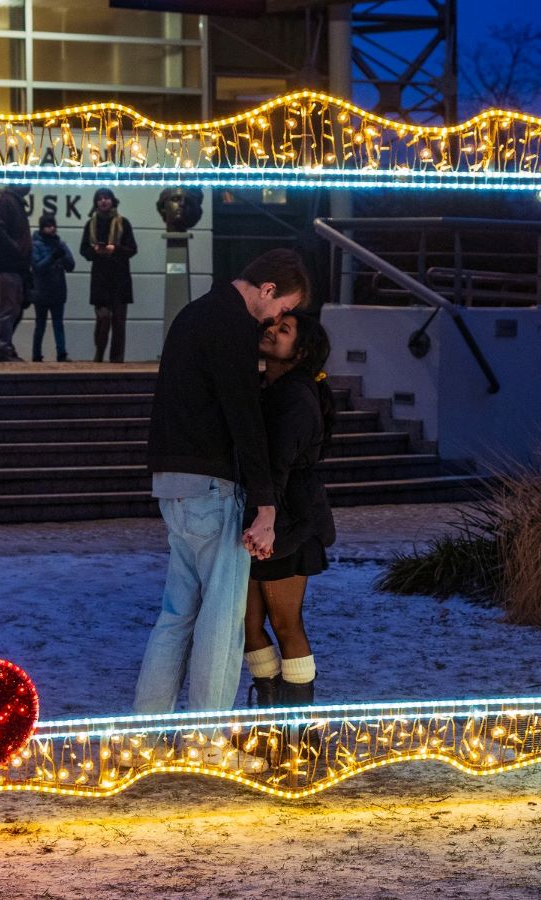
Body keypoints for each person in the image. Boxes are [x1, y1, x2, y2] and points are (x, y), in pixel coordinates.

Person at [134, 248, 312, 716]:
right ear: (268, 290)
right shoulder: (232, 324)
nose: (277, 319)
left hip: (172, 481)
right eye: (283, 308)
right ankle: (209, 738)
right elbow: (244, 416)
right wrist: (266, 504)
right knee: (221, 618)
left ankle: (145, 730)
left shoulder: (194, 314)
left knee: (176, 615)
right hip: (212, 484)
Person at [243, 311, 336, 708]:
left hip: (289, 519)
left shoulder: (296, 394)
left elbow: (278, 463)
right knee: (247, 624)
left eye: (284, 331)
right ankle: (269, 712)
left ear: (302, 351)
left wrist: (268, 518)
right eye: (273, 326)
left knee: (285, 622)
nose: (272, 332)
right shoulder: (268, 386)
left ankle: (296, 729)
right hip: (263, 514)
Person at [80, 187, 137, 363]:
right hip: (100, 280)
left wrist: (115, 249)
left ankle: (117, 360)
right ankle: (99, 354)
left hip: (120, 279)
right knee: (103, 319)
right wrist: (96, 250)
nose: (103, 201)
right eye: (100, 199)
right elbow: (84, 250)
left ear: (113, 201)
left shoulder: (123, 222)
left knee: (119, 323)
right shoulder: (91, 224)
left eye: (106, 198)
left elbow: (132, 249)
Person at [0, 184, 33, 363]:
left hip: (14, 266)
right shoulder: (6, 201)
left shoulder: (12, 202)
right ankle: (3, 349)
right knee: (8, 309)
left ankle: (3, 348)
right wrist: (15, 249)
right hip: (6, 265)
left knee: (14, 309)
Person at [30, 212, 76, 362]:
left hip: (56, 291)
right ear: (42, 227)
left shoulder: (60, 244)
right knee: (41, 325)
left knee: (57, 324)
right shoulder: (36, 245)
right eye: (48, 226)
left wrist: (62, 256)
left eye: (53, 225)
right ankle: (37, 354)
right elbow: (37, 267)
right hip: (42, 292)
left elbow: (71, 265)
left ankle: (61, 353)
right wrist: (54, 257)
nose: (51, 229)